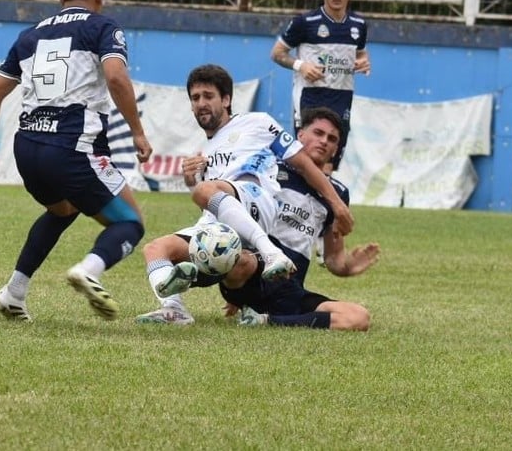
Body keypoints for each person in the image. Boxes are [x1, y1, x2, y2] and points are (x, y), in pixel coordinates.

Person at [0, 0, 152, 323]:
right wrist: (137, 131)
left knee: (63, 209)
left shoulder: (30, 35)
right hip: (72, 147)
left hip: (28, 148)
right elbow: (115, 77)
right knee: (130, 223)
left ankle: (13, 292)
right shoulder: (103, 26)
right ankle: (89, 270)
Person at [134, 64, 354, 325]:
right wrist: (191, 180)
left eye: (208, 96)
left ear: (226, 99)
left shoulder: (257, 123)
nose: (201, 103)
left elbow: (304, 164)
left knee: (207, 190)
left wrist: (337, 205)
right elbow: (212, 202)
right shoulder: (206, 150)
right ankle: (174, 309)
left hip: (256, 199)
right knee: (155, 249)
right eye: (195, 98)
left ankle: (270, 252)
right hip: (221, 222)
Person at [153, 107, 379, 330]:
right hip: (250, 268)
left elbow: (333, 259)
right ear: (299, 136)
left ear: (336, 149)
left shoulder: (338, 193)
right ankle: (189, 287)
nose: (324, 141)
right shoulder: (269, 169)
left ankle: (263, 320)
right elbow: (229, 198)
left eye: (332, 139)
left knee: (358, 318)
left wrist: (347, 267)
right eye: (318, 133)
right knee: (239, 260)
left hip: (289, 288)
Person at [270, 0, 371, 173]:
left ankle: (320, 206)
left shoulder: (358, 25)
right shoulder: (305, 22)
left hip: (342, 97)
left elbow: (360, 54)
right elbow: (277, 53)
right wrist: (301, 65)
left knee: (329, 163)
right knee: (307, 159)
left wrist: (363, 63)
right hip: (310, 96)